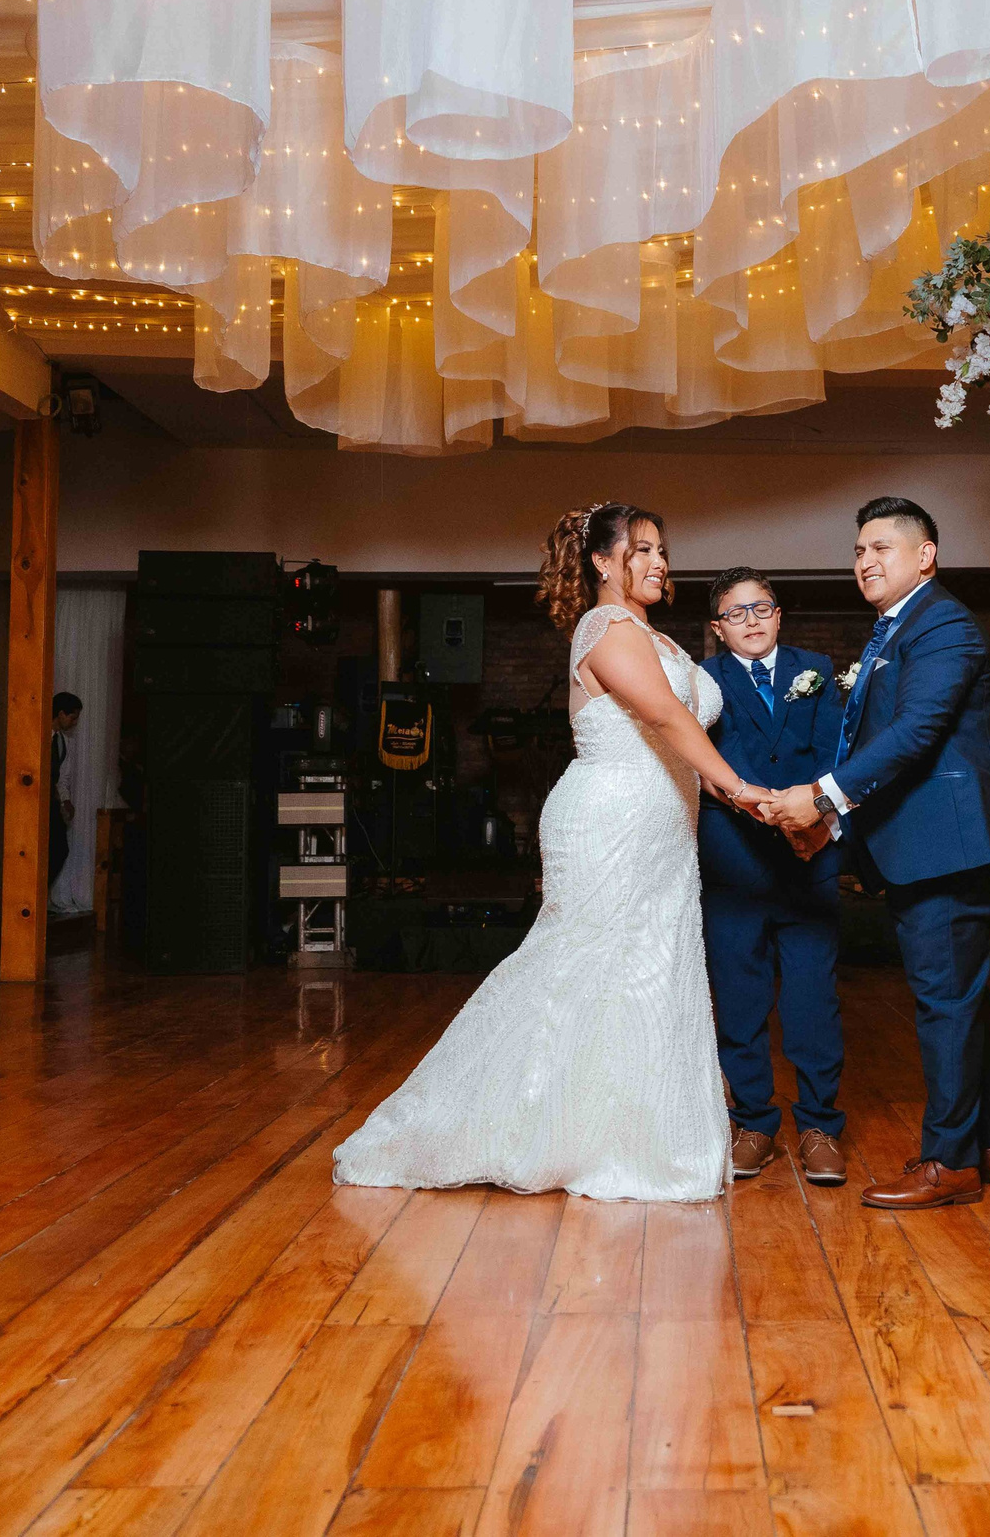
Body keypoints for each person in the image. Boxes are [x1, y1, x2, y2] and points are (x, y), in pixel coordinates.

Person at [333, 503, 777, 1201]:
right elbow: (665, 715)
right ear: (603, 561)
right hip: (610, 819)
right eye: (643, 549)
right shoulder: (606, 628)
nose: (660, 562)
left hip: (662, 828)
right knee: (577, 970)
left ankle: (624, 1136)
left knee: (646, 975)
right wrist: (742, 791)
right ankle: (491, 1126)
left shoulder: (658, 638)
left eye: (663, 550)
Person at [760, 497, 990, 1210]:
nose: (865, 561)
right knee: (960, 998)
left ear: (925, 555)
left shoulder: (941, 622)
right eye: (858, 550)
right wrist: (837, 823)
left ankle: (949, 1163)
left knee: (945, 1002)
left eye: (882, 547)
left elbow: (915, 733)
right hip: (926, 842)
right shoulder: (899, 625)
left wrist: (821, 797)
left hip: (947, 847)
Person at [698, 567, 849, 1186]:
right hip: (734, 858)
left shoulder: (817, 670)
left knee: (813, 997)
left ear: (779, 614)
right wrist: (769, 812)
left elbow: (836, 751)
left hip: (811, 856)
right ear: (718, 628)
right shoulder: (702, 680)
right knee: (740, 996)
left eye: (761, 608)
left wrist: (819, 821)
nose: (752, 620)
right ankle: (754, 1123)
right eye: (736, 613)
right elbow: (709, 760)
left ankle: (820, 1126)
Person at [49, 692, 82, 889]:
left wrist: (65, 800)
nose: (74, 723)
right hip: (30, 802)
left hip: (50, 803)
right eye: (73, 717)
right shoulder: (37, 735)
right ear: (61, 714)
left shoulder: (62, 742)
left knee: (59, 850)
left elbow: (61, 777)